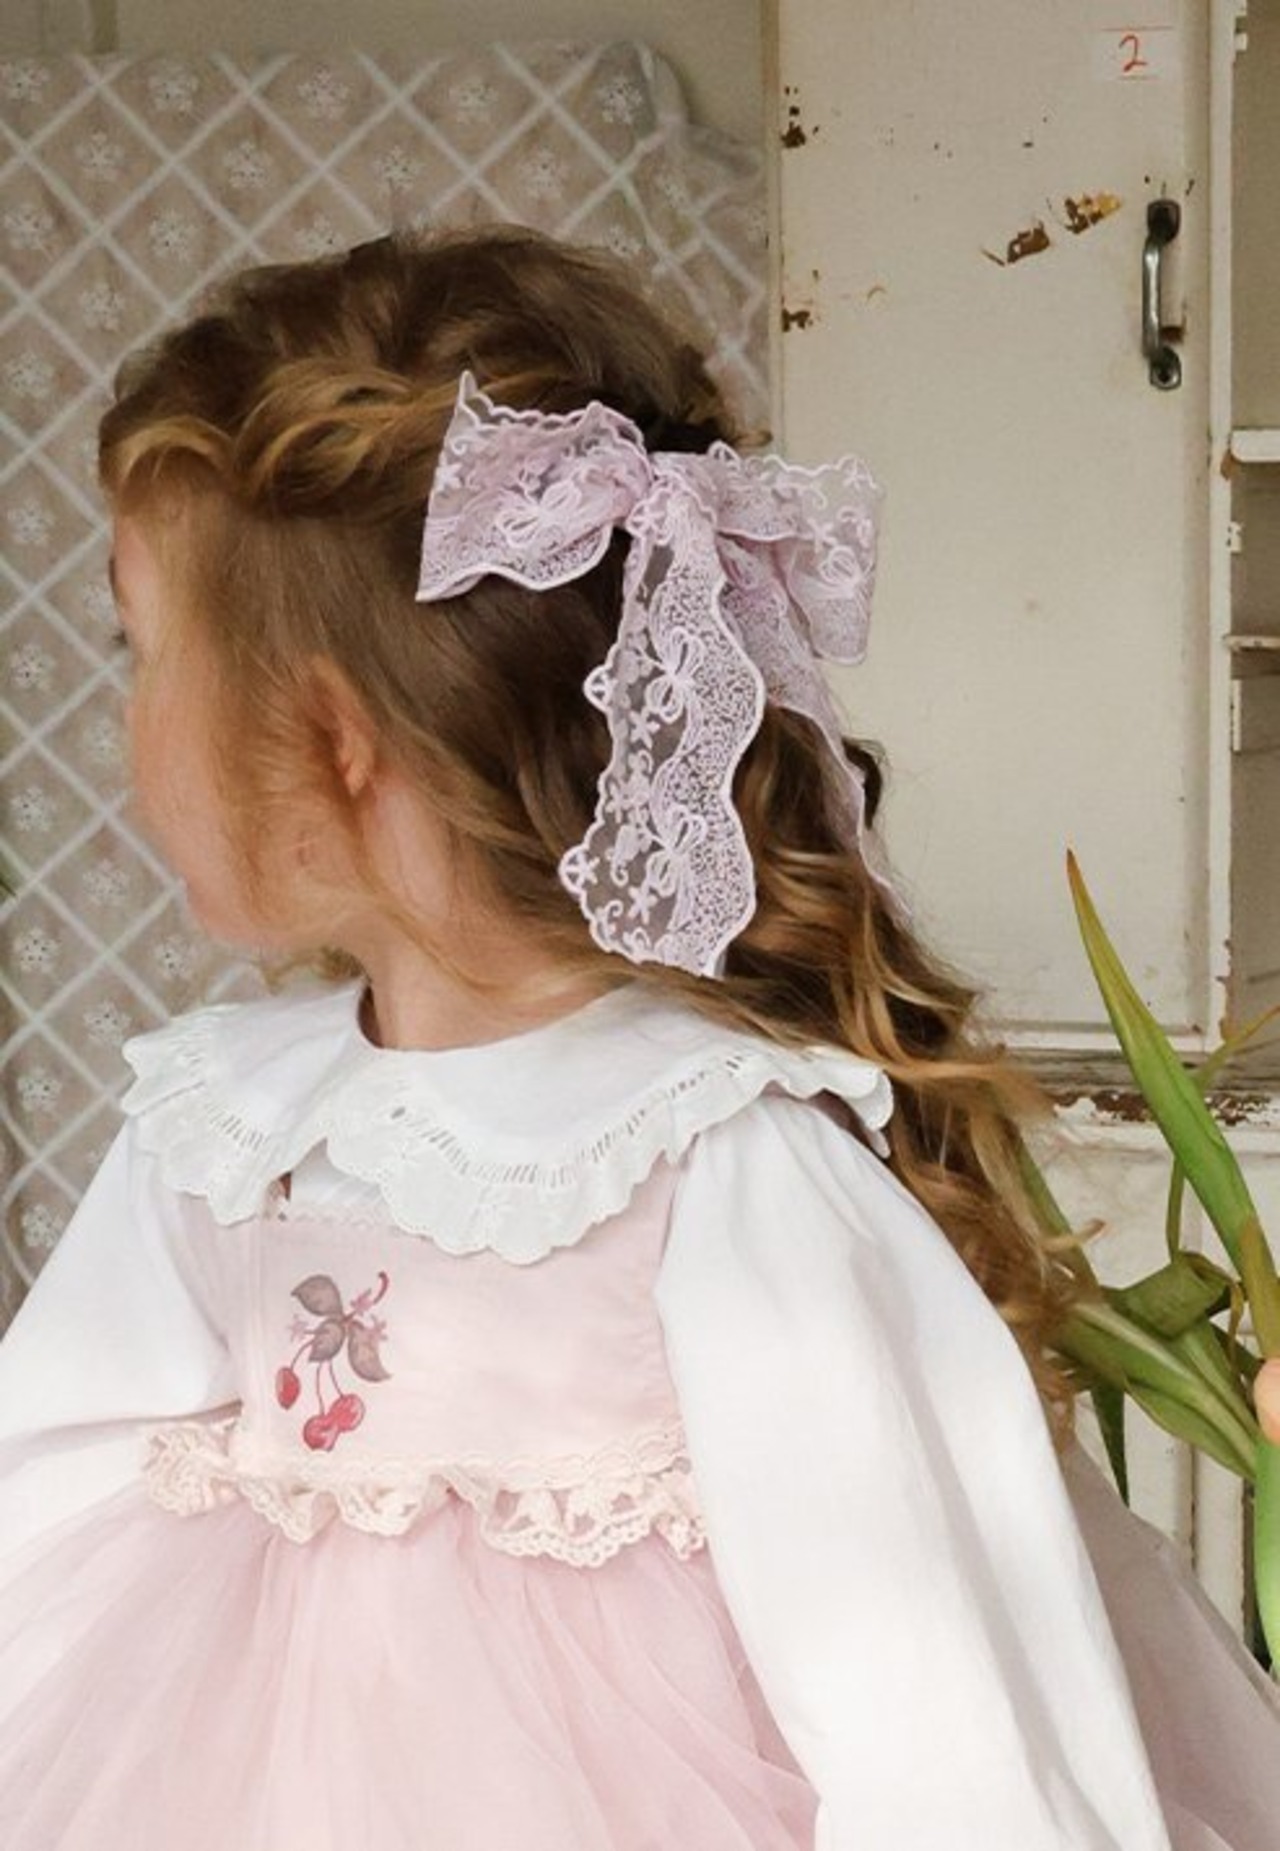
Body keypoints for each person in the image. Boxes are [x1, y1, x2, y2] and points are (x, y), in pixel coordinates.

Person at [0, 227, 1273, 1851]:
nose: (126, 713)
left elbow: (919, 1696)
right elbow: (40, 1509)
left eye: (141, 651)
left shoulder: (708, 1155)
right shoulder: (224, 1124)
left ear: (331, 735)